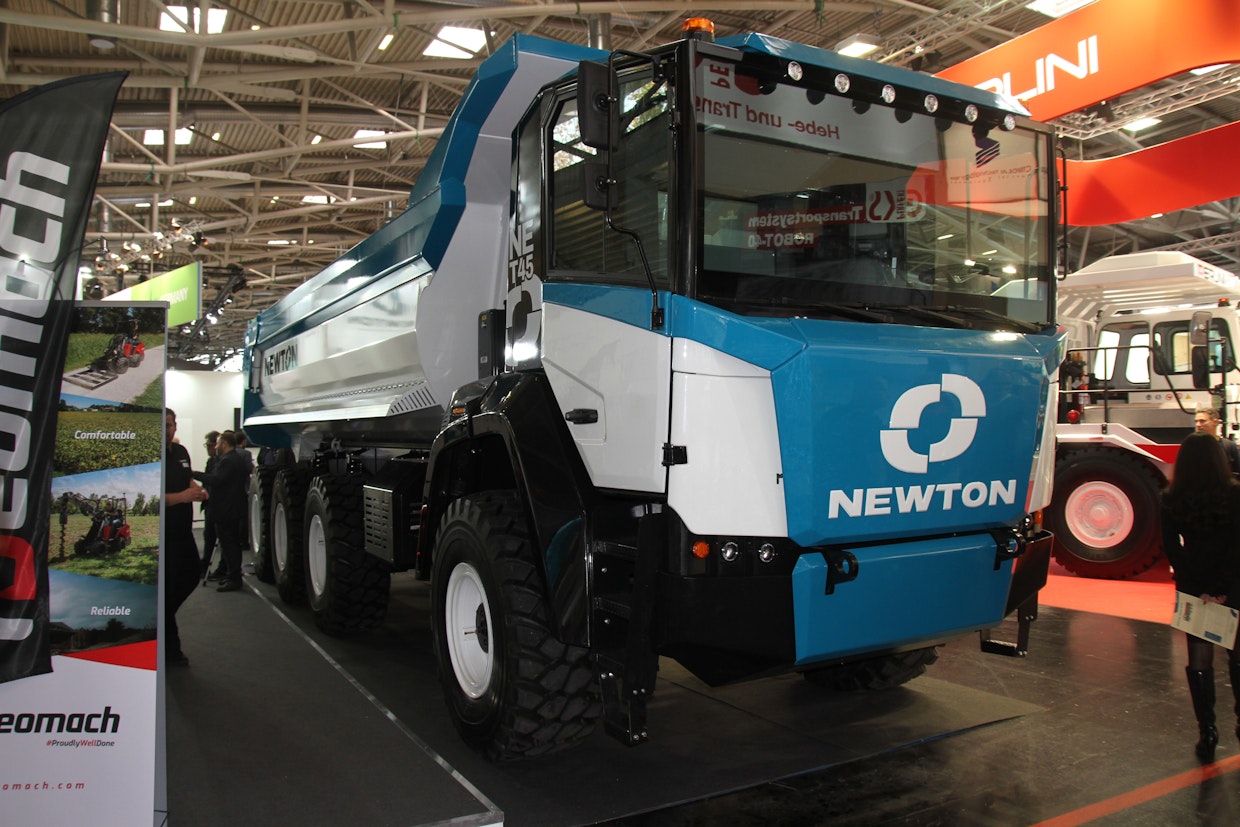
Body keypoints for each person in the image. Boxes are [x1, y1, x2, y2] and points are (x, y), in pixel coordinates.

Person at [1159, 431, 1240, 763]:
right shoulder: (1235, 494)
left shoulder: (1171, 498)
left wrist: (1198, 585)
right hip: (1233, 583)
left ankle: (1207, 731)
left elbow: (1172, 549)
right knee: (1237, 656)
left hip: (1194, 587)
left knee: (1199, 660)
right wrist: (1223, 588)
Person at [164, 409, 209, 665]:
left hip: (183, 530)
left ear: (175, 426)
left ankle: (162, 615)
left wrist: (198, 490)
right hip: (164, 534)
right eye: (162, 425)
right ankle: (171, 650)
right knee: (168, 586)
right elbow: (151, 499)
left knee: (192, 575)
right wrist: (182, 497)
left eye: (169, 425)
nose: (166, 430)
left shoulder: (181, 452)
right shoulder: (151, 457)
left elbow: (187, 478)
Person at [195, 431, 250, 593]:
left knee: (229, 544)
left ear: (224, 444)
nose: (216, 447)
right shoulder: (235, 459)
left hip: (227, 510)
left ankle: (234, 578)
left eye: (218, 443)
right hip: (233, 508)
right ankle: (231, 575)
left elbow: (216, 480)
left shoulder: (228, 460)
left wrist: (194, 474)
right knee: (231, 544)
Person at [1194, 407, 1240, 476]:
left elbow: (1237, 471)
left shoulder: (1228, 446)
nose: (1198, 425)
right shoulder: (1192, 446)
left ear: (1215, 422)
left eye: (1202, 421)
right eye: (1196, 421)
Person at [199, 430, 221, 581]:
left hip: (218, 505)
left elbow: (213, 480)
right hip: (209, 504)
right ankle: (204, 567)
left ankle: (222, 569)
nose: (207, 448)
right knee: (208, 536)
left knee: (219, 537)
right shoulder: (211, 461)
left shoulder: (221, 462)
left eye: (208, 445)